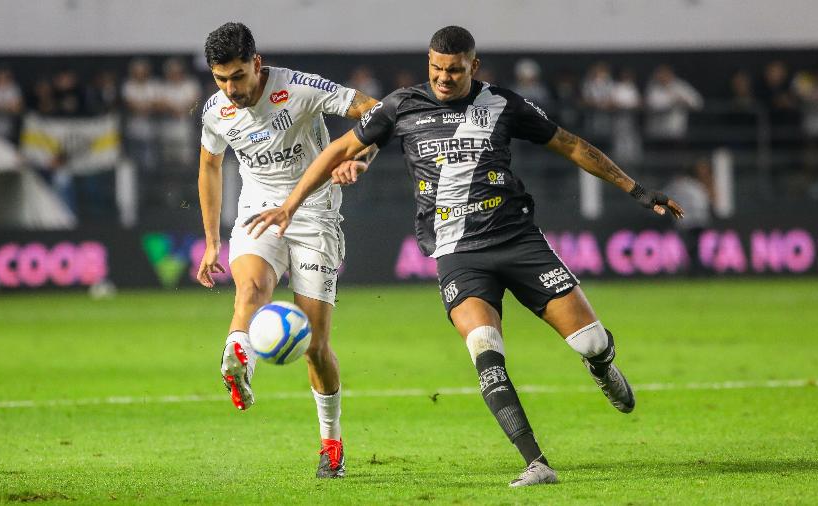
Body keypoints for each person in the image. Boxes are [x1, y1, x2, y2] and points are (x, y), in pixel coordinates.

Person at [246, 26, 684, 487]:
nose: (444, 78)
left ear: (473, 67)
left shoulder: (503, 103)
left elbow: (571, 144)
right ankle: (536, 462)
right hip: (458, 255)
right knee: (485, 351)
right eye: (436, 69)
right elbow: (341, 148)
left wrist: (637, 190)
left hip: (519, 242)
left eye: (454, 70)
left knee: (590, 342)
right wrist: (291, 203)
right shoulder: (401, 105)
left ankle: (602, 365)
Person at [194, 22, 379, 479]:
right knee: (251, 288)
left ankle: (331, 443)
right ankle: (237, 358)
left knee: (315, 346)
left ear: (257, 64)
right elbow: (210, 166)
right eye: (220, 78)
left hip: (315, 216)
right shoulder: (216, 110)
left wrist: (360, 157)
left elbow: (374, 113)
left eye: (238, 76)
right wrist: (213, 240)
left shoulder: (299, 88)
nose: (230, 89)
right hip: (259, 211)